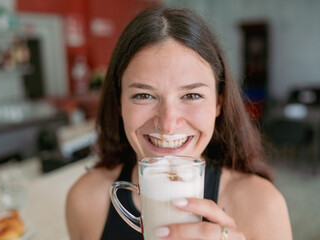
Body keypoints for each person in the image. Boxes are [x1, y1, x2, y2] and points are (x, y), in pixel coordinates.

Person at [66, 6, 292, 240]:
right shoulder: (86, 200)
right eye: (143, 95)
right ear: (119, 104)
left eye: (192, 95)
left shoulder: (263, 207)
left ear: (218, 103)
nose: (167, 124)